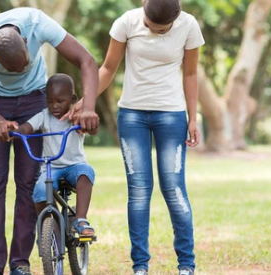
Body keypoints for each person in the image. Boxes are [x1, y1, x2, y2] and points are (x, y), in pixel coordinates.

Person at [64, 0, 204, 274]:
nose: (159, 32)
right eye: (153, 28)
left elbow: (190, 73)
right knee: (139, 193)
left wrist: (193, 118)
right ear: (143, 8)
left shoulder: (188, 25)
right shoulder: (126, 22)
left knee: (174, 190)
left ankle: (186, 266)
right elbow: (108, 68)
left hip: (171, 115)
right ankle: (140, 266)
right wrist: (86, 101)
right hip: (132, 117)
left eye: (165, 29)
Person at [0, 7, 100, 275]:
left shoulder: (37, 22)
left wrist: (88, 107)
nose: (17, 73)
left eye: (23, 65)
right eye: (9, 69)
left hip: (34, 102)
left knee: (30, 182)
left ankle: (20, 264)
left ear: (27, 41)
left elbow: (87, 61)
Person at [12, 73, 97, 237]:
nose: (54, 106)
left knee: (86, 173)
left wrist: (90, 123)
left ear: (72, 99)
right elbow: (26, 128)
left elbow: (92, 129)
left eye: (60, 101)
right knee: (40, 190)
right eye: (50, 101)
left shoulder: (76, 117)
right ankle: (50, 228)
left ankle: (81, 218)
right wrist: (15, 131)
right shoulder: (44, 116)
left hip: (75, 165)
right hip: (51, 167)